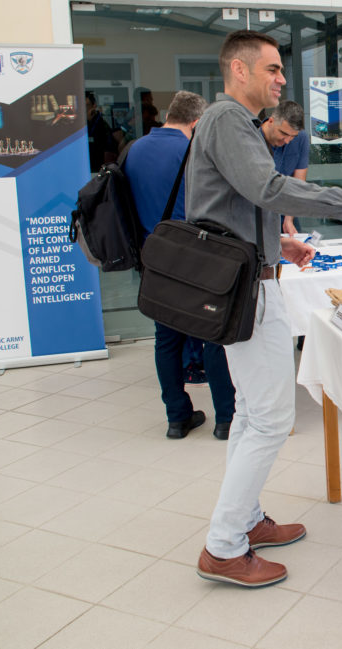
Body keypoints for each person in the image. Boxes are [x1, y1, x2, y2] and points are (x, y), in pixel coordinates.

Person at [188, 30, 342, 588]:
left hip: (254, 275)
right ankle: (223, 546)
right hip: (245, 289)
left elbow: (241, 200)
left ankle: (243, 522)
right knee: (270, 419)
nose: (282, 79)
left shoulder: (235, 124)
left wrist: (278, 244)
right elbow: (267, 188)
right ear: (239, 71)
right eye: (271, 69)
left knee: (250, 413)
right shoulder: (226, 119)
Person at [124, 91, 236, 441]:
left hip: (153, 258)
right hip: (195, 260)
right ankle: (226, 419)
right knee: (214, 337)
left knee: (166, 340)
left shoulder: (135, 149)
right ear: (197, 122)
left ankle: (176, 417)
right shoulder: (193, 152)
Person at [259, 100, 310, 235]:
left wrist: (289, 219)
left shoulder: (302, 138)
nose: (287, 140)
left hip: (287, 209)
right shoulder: (253, 138)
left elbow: (298, 184)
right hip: (258, 214)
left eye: (292, 136)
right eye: (283, 133)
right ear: (271, 122)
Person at [84, 92, 113, 172]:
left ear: (94, 106)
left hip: (98, 165)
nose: (84, 108)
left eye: (87, 105)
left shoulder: (101, 122)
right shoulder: (80, 124)